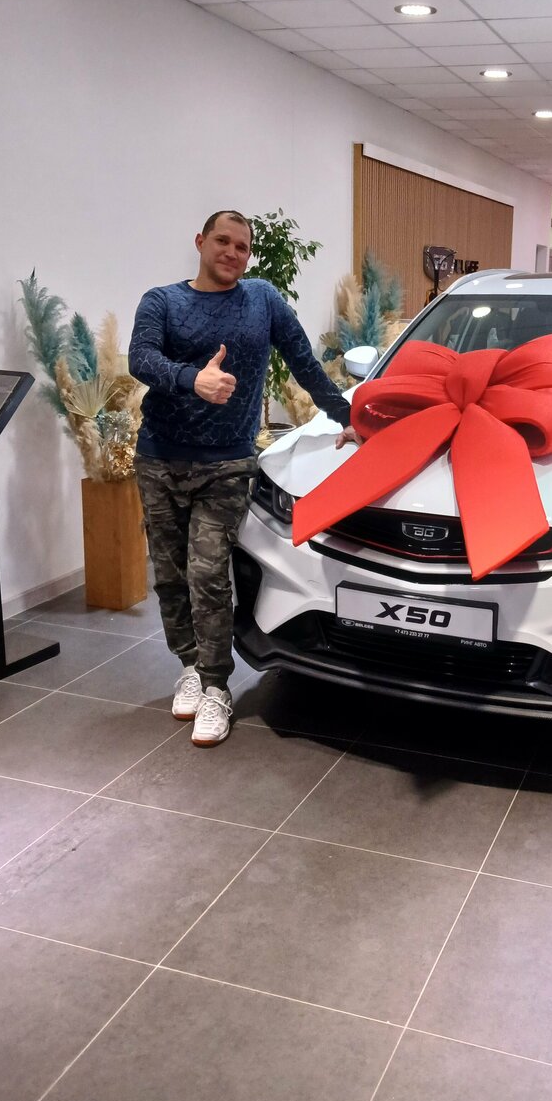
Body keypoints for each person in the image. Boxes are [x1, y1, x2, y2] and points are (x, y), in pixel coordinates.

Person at [129, 210, 356, 747]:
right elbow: (141, 358)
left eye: (242, 246)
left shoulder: (262, 300)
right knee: (169, 575)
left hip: (226, 463)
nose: (233, 253)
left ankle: (216, 687)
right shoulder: (162, 301)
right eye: (223, 241)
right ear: (200, 241)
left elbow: (303, 361)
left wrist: (349, 417)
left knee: (208, 573)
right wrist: (193, 379)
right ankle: (189, 665)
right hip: (160, 459)